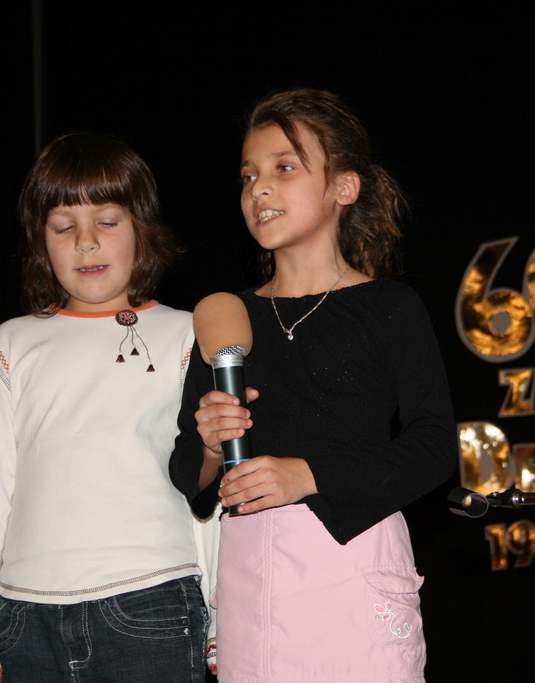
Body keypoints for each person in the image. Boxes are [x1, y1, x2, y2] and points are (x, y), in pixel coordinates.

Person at [169, 89, 457, 682]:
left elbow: (435, 445)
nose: (258, 189)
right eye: (248, 175)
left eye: (284, 168)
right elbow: (186, 473)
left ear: (343, 187)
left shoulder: (389, 307)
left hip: (354, 563)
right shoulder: (227, 317)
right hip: (251, 576)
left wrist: (308, 474)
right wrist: (210, 447)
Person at [0, 132, 211, 682]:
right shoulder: (10, 345)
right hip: (23, 617)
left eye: (107, 222)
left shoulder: (188, 335)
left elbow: (208, 489)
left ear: (142, 228)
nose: (86, 243)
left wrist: (223, 618)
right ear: (40, 241)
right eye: (64, 228)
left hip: (153, 605)